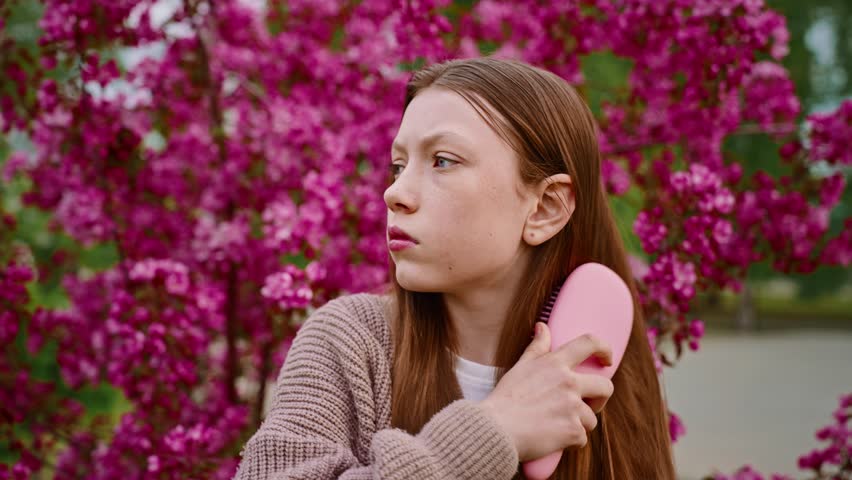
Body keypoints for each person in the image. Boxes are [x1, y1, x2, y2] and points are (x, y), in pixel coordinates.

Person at [233, 57, 676, 480]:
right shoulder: (351, 344)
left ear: (544, 208)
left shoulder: (599, 367)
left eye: (442, 161)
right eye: (398, 165)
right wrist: (493, 433)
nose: (395, 193)